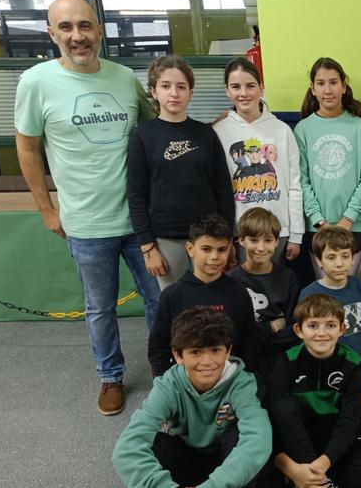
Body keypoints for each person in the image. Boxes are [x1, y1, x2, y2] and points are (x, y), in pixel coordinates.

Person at [14, 0, 160, 415]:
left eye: (84, 26)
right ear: (51, 34)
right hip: (85, 222)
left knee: (158, 300)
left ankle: (164, 369)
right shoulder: (36, 82)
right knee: (100, 309)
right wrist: (46, 208)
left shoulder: (125, 78)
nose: (77, 36)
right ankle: (110, 377)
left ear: (99, 30)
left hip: (139, 220)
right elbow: (27, 148)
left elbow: (157, 132)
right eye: (66, 28)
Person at [113, 306, 271, 488]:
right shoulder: (169, 385)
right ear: (178, 355)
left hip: (226, 464)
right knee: (156, 443)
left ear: (227, 351)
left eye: (215, 350)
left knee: (240, 438)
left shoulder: (241, 383)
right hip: (185, 460)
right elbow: (127, 449)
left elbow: (259, 438)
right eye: (195, 352)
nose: (207, 362)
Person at [127, 55, 234, 290]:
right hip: (166, 240)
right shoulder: (142, 136)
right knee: (177, 308)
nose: (174, 93)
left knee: (212, 303)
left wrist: (227, 238)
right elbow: (136, 196)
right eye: (166, 86)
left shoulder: (205, 134)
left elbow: (223, 189)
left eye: (181, 87)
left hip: (208, 238)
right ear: (154, 92)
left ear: (190, 93)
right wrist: (148, 247)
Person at [267, 294, 361, 488]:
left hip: (335, 442)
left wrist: (321, 464)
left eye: (330, 325)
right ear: (299, 330)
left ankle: (314, 480)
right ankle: (317, 482)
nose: (322, 333)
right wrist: (293, 469)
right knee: (282, 407)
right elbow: (275, 419)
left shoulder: (354, 365)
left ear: (342, 329)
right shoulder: (286, 362)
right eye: (313, 325)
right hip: (298, 441)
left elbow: (348, 422)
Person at [294, 57, 361, 284]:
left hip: (353, 224)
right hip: (317, 226)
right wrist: (319, 222)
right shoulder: (303, 129)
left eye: (333, 82)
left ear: (344, 86)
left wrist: (347, 219)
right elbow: (301, 179)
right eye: (320, 83)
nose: (328, 89)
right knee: (325, 290)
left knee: (346, 286)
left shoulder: (360, 127)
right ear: (313, 89)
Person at [213, 57, 303, 264]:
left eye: (250, 86)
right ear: (227, 90)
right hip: (239, 234)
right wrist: (225, 236)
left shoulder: (282, 130)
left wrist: (296, 234)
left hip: (279, 232)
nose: (243, 93)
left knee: (275, 290)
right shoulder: (217, 132)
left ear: (261, 88)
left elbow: (295, 185)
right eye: (236, 87)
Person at [147, 214, 259, 379]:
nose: (214, 257)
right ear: (190, 249)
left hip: (231, 380)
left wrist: (240, 378)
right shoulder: (172, 295)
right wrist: (168, 382)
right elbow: (158, 347)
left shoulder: (239, 293)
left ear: (230, 249)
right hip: (184, 383)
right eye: (206, 249)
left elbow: (250, 343)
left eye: (222, 249)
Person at [299, 226, 361, 404]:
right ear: (319, 260)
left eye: (345, 256)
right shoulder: (309, 295)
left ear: (353, 258)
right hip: (332, 378)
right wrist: (349, 384)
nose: (339, 263)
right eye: (331, 257)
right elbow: (310, 349)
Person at [228, 207, 300, 379]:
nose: (261, 248)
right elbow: (234, 332)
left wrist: (257, 334)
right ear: (241, 240)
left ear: (276, 241)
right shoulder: (232, 281)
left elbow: (293, 327)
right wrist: (272, 326)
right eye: (253, 240)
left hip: (280, 357)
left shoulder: (288, 277)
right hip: (243, 361)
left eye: (268, 240)